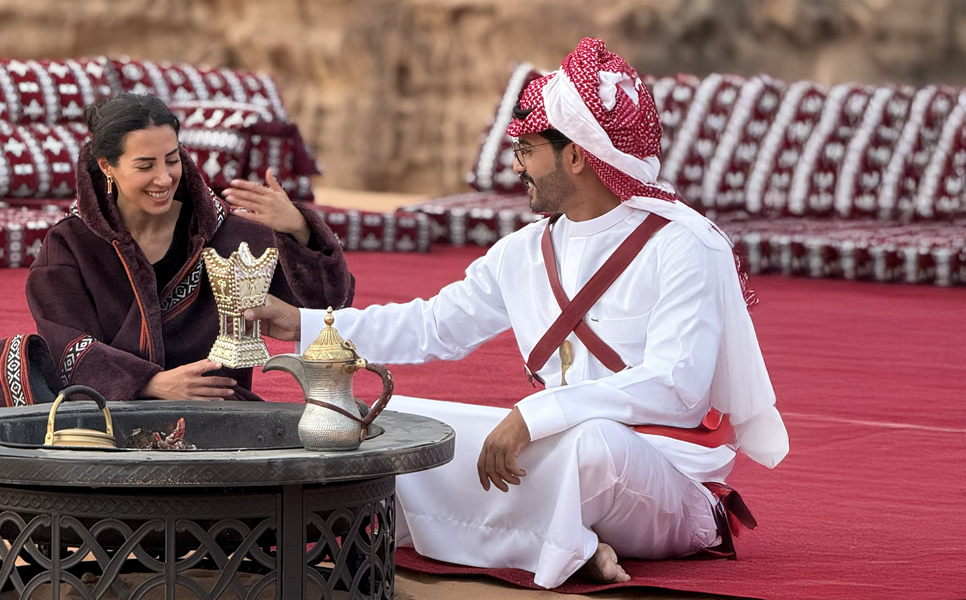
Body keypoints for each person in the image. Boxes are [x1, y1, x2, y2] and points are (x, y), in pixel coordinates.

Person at [244, 38, 789, 589]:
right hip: (559, 450)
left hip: (662, 477)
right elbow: (433, 325)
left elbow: (678, 386)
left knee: (591, 445)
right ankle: (572, 545)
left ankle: (546, 537)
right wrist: (302, 324)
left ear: (575, 155)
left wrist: (536, 414)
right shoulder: (525, 251)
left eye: (527, 150)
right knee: (398, 424)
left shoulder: (684, 245)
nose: (516, 166)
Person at [26, 93, 353, 403]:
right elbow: (65, 344)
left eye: (172, 160)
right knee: (6, 359)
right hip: (110, 409)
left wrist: (299, 228)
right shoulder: (71, 243)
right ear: (107, 166)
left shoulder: (228, 231)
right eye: (145, 166)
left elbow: (329, 309)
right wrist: (150, 384)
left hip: (212, 407)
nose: (164, 178)